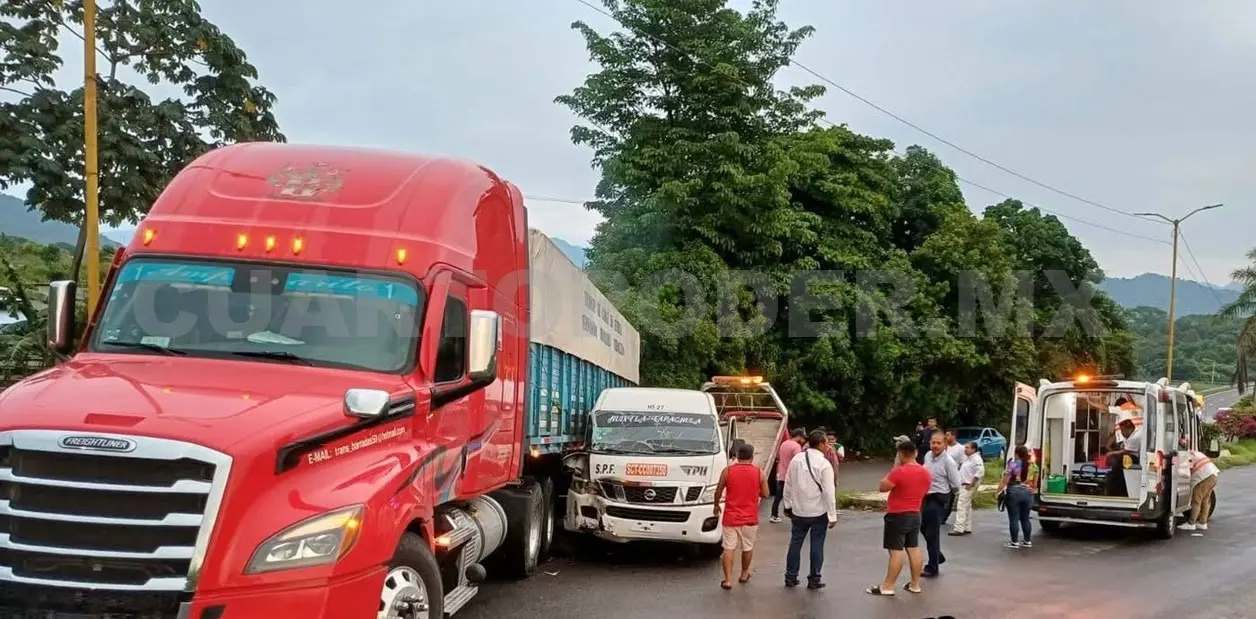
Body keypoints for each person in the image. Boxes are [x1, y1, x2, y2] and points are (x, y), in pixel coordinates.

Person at [866, 441, 930, 596]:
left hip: (897, 515)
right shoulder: (925, 472)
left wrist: (894, 469)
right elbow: (926, 490)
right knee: (913, 548)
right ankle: (915, 584)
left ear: (901, 454)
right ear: (915, 453)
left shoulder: (898, 471)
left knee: (896, 551)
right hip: (915, 513)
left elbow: (882, 487)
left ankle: (888, 585)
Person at [781, 430, 837, 589]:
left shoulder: (797, 459)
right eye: (826, 443)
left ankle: (790, 577)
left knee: (795, 543)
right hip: (818, 511)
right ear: (820, 444)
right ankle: (814, 578)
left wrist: (787, 505)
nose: (828, 446)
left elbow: (788, 484)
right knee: (817, 545)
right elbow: (829, 491)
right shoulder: (824, 464)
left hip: (798, 510)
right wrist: (832, 515)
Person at [713, 442, 770, 588]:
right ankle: (744, 573)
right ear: (752, 456)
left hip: (731, 516)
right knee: (747, 547)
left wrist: (715, 505)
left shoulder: (727, 471)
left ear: (737, 456)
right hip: (750, 517)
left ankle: (727, 580)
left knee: (728, 547)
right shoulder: (759, 472)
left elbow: (718, 490)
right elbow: (765, 494)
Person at [920, 431, 959, 577]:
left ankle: (933, 567)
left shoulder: (949, 461)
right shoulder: (927, 456)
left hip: (939, 498)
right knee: (923, 527)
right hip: (926, 496)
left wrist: (946, 496)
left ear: (945, 444)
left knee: (932, 533)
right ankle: (937, 555)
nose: (935, 446)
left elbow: (956, 484)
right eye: (933, 443)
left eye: (939, 443)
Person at [997, 445, 1039, 548]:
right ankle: (1027, 541)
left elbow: (1005, 481)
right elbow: (1035, 483)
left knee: (1014, 518)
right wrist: (1031, 489)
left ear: (1016, 453)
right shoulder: (1033, 466)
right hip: (1028, 493)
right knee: (1025, 518)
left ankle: (1014, 542)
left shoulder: (1013, 464)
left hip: (1014, 492)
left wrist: (998, 492)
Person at [949, 441, 985, 536]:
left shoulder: (976, 459)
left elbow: (980, 472)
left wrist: (972, 483)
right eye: (965, 447)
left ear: (974, 449)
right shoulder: (968, 459)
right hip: (965, 483)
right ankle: (967, 526)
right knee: (967, 506)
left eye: (967, 448)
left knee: (961, 505)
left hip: (968, 484)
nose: (965, 449)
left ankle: (959, 528)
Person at [1180, 449, 1220, 533]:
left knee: (1196, 500)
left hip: (1204, 477)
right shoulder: (1196, 453)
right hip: (1213, 476)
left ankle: (1191, 523)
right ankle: (1202, 523)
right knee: (1205, 500)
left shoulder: (1188, 456)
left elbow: (1186, 470)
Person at [771, 429, 806, 523]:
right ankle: (792, 513)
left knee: (778, 496)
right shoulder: (796, 446)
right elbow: (799, 461)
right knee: (794, 495)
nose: (803, 440)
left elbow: (778, 456)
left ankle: (774, 514)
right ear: (798, 436)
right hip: (791, 475)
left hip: (781, 474)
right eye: (802, 437)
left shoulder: (784, 444)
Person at [942, 430, 965, 523]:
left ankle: (944, 516)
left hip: (953, 475)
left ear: (954, 436)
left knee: (950, 497)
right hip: (942, 475)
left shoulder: (960, 448)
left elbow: (962, 463)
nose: (946, 437)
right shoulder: (944, 446)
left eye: (948, 435)